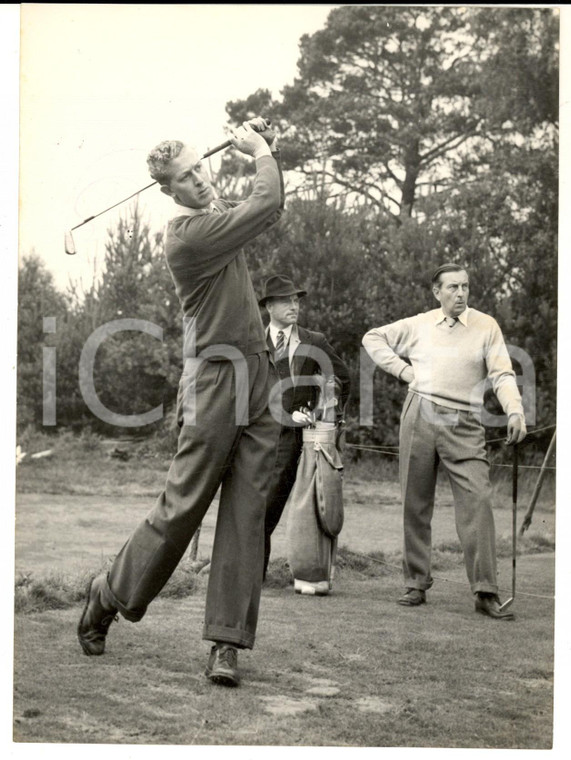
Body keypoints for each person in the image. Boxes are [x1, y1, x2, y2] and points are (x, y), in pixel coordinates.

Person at [77, 118, 285, 687]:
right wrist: (261, 152)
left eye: (201, 166)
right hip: (215, 381)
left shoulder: (216, 219)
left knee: (247, 516)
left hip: (261, 380)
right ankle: (109, 592)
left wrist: (269, 149)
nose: (200, 179)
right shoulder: (188, 236)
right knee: (182, 508)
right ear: (169, 193)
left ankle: (226, 643)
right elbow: (267, 203)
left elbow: (267, 203)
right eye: (186, 177)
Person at [362, 263, 526, 620]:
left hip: (465, 421)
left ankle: (485, 591)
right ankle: (416, 583)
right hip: (420, 412)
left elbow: (501, 373)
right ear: (436, 292)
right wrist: (403, 370)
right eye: (452, 287)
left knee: (478, 500)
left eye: (465, 286)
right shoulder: (420, 323)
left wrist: (514, 411)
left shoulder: (486, 326)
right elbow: (372, 338)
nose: (461, 294)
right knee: (414, 501)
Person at [259, 274, 351, 585]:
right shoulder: (253, 344)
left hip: (299, 443)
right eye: (286, 300)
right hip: (256, 440)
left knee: (275, 507)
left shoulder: (315, 341)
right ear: (269, 306)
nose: (294, 305)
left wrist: (325, 411)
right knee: (254, 508)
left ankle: (263, 573)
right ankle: (251, 575)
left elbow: (341, 378)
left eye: (296, 300)